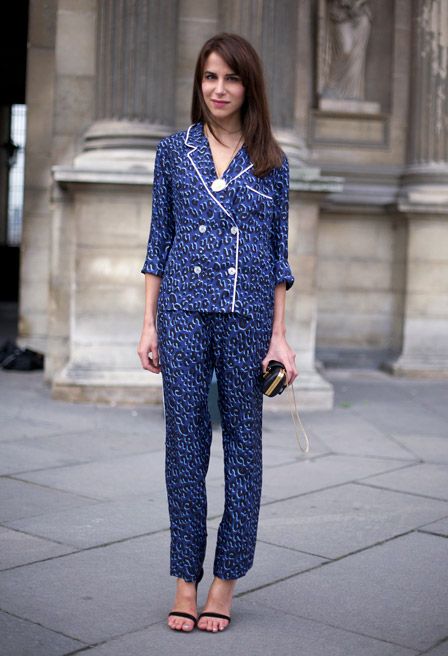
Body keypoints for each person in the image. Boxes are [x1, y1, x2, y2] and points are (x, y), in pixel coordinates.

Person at [137, 32, 298, 634]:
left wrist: (280, 338)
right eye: (210, 76)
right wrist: (149, 323)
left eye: (231, 78)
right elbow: (159, 241)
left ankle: (226, 581)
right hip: (182, 311)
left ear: (248, 86)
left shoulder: (272, 163)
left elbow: (278, 257)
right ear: (198, 83)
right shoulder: (173, 152)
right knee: (184, 446)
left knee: (243, 450)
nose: (219, 89)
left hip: (247, 317)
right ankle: (185, 579)